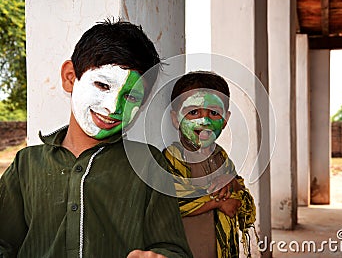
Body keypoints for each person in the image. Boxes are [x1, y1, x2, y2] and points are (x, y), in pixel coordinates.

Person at [0, 19, 192, 258]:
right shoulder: (25, 165)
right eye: (102, 85)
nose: (113, 108)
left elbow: (175, 249)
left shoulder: (148, 164)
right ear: (70, 77)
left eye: (131, 97)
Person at [162, 71, 257, 258]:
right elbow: (172, 202)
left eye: (214, 113)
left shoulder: (221, 157)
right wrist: (218, 203)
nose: (204, 121)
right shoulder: (173, 158)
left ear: (225, 120)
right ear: (175, 119)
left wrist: (231, 183)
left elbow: (239, 190)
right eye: (193, 112)